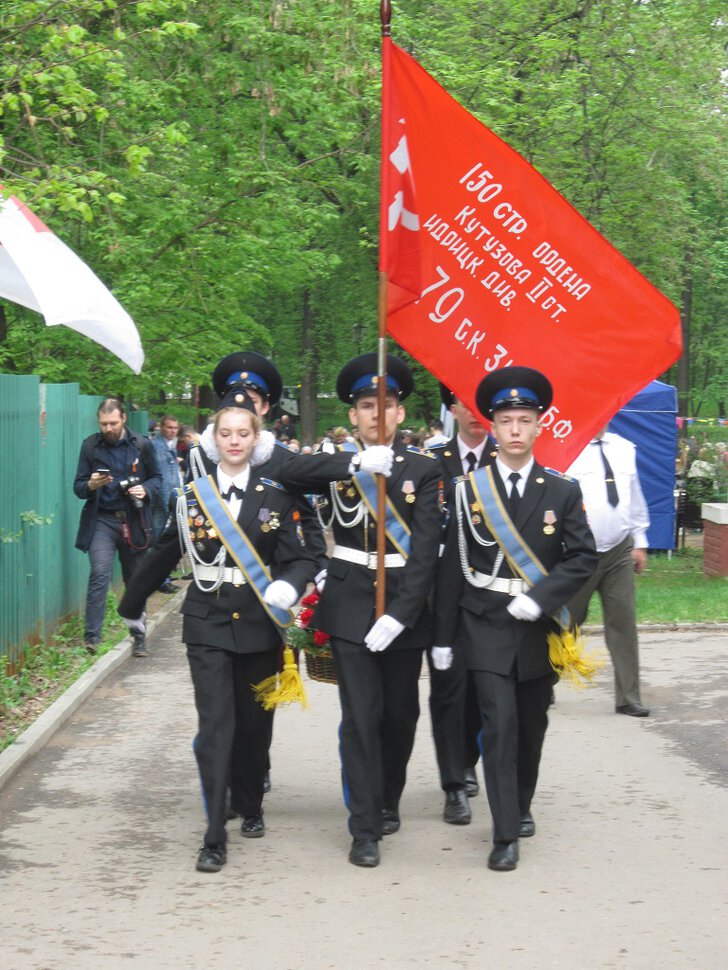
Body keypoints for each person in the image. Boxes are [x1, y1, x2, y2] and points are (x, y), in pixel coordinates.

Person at [118, 391, 319, 873]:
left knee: (252, 727)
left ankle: (250, 803)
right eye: (225, 433)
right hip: (206, 622)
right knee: (215, 727)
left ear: (256, 439)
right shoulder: (192, 497)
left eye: (243, 433)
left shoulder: (277, 494)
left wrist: (289, 588)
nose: (234, 441)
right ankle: (213, 834)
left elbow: (302, 557)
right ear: (212, 439)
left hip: (258, 624)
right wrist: (132, 605)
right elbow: (165, 552)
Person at [187, 351, 392, 797]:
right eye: (236, 400)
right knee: (220, 707)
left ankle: (254, 767)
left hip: (275, 586)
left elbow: (308, 511)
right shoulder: (202, 456)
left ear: (265, 409)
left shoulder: (280, 458)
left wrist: (313, 573)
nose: (246, 408)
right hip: (220, 595)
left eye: (257, 400)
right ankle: (226, 773)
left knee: (260, 696)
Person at [434, 367, 597, 872]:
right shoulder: (468, 491)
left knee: (530, 726)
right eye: (506, 421)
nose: (515, 430)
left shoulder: (561, 491)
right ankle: (505, 833)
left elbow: (583, 556)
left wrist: (543, 597)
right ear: (495, 426)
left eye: (525, 420)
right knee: (499, 725)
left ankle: (521, 805)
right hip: (483, 623)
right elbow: (450, 571)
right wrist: (443, 638)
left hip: (537, 629)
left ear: (539, 425)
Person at [313, 353, 442, 868]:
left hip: (403, 610)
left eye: (387, 405)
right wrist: (352, 463)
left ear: (401, 414)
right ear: (353, 416)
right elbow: (282, 467)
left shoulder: (426, 471)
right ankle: (363, 826)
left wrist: (402, 613)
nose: (376, 415)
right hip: (348, 606)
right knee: (359, 718)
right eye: (367, 406)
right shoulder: (337, 464)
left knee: (399, 716)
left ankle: (388, 796)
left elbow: (428, 546)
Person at [425, 384, 499, 825]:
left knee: (482, 690)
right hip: (443, 597)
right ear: (452, 408)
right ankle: (454, 783)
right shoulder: (433, 462)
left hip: (491, 597)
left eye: (481, 407)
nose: (474, 415)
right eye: (465, 405)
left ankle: (470, 759)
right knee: (448, 691)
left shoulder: (506, 460)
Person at [566, 427, 651, 717]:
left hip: (618, 549)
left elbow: (634, 498)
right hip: (578, 551)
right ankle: (541, 682)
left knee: (623, 622)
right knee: (566, 621)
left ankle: (628, 697)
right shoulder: (566, 447)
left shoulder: (624, 447)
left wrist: (639, 542)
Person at [73, 397, 161, 654]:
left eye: (113, 423)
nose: (108, 428)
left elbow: (157, 478)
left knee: (135, 581)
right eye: (104, 424)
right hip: (102, 519)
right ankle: (92, 638)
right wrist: (91, 485)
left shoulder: (142, 445)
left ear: (123, 419)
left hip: (134, 520)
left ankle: (139, 636)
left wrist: (144, 489)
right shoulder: (90, 446)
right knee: (99, 573)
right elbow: (78, 487)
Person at [151, 414, 183, 594]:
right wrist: (168, 506)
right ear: (161, 427)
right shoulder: (158, 447)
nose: (172, 431)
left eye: (175, 428)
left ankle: (164, 577)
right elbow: (162, 480)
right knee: (160, 542)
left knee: (162, 541)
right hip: (162, 504)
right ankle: (162, 581)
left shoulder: (170, 445)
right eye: (169, 427)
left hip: (170, 501)